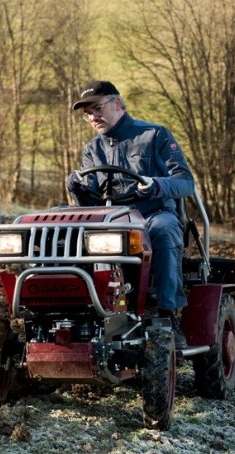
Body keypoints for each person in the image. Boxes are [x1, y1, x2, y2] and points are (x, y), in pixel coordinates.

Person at [66, 80, 194, 348]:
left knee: (164, 230)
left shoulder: (154, 135)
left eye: (97, 108)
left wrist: (157, 185)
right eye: (87, 112)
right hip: (111, 221)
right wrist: (77, 189)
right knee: (69, 235)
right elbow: (91, 202)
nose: (92, 117)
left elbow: (185, 181)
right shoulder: (93, 149)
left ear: (118, 104)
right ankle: (80, 312)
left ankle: (167, 314)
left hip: (152, 213)